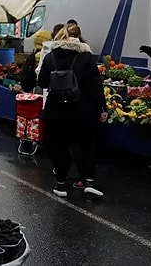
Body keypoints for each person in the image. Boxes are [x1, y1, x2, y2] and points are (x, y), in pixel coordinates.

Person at [37, 24, 107, 199]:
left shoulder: (50, 56)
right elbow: (95, 86)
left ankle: (61, 184)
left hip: (56, 110)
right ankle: (88, 181)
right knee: (86, 145)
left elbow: (43, 82)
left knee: (60, 147)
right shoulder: (85, 57)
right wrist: (102, 107)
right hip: (83, 111)